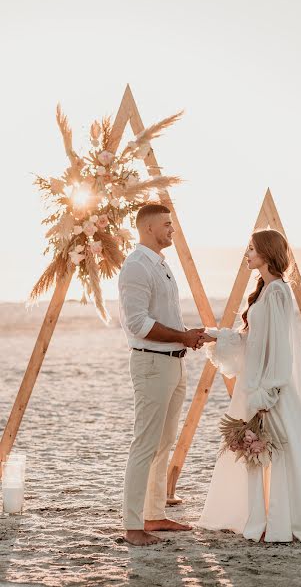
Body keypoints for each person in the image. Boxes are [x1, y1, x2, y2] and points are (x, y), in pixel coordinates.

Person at [197, 228, 301, 544]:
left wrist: (267, 391)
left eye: (250, 249)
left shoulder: (277, 292)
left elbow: (281, 349)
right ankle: (258, 518)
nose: (246, 254)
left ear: (266, 252)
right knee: (255, 453)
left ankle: (275, 521)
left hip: (268, 388)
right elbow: (253, 340)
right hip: (254, 383)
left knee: (274, 453)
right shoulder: (264, 291)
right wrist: (217, 337)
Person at [119, 202, 204, 546]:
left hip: (173, 363)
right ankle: (132, 525)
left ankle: (154, 515)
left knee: (163, 443)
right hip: (152, 365)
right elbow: (138, 324)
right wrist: (182, 335)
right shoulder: (137, 266)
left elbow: (164, 315)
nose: (172, 230)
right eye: (167, 224)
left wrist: (188, 335)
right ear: (148, 228)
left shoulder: (160, 264)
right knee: (145, 444)